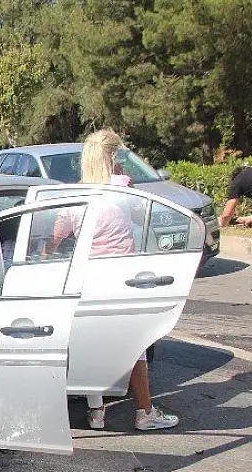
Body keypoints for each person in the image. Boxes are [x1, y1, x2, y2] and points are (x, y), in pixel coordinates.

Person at [73, 129, 178, 432]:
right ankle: (145, 412)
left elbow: (57, 235)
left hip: (88, 281)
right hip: (121, 280)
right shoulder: (122, 190)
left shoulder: (77, 195)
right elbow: (145, 220)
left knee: (91, 348)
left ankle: (96, 414)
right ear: (114, 158)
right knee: (135, 349)